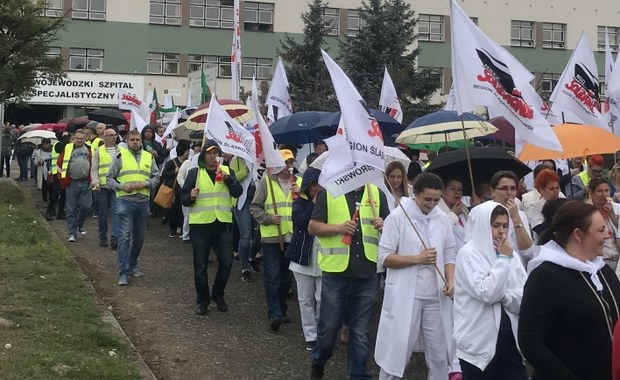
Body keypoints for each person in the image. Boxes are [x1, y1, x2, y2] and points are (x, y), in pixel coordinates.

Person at [519, 201, 620, 380]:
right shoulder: (545, 277)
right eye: (600, 230)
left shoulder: (603, 272)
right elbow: (530, 342)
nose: (608, 234)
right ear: (578, 235)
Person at [375, 173, 457, 380]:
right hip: (406, 294)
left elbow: (449, 253)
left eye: (436, 200)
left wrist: (451, 280)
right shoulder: (398, 217)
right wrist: (417, 259)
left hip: (435, 295)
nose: (431, 204)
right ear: (415, 194)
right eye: (427, 199)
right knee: (399, 349)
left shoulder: (442, 219)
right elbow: (384, 258)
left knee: (439, 351)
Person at [308, 182, 389, 380]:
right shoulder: (329, 193)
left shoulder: (377, 193)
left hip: (367, 273)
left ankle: (357, 375)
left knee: (360, 332)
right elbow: (312, 227)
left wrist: (385, 226)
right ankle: (319, 359)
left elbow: (392, 229)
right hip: (336, 272)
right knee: (329, 328)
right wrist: (338, 227)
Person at [454, 201, 528, 379]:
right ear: (481, 225)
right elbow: (486, 293)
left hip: (511, 342)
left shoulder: (512, 254)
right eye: (495, 225)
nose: (501, 231)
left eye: (504, 225)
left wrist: (505, 297)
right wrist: (502, 260)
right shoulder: (468, 254)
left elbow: (525, 297)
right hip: (478, 347)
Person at [180, 140, 242, 315]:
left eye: (215, 153)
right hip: (200, 225)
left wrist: (229, 180)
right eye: (209, 153)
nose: (212, 156)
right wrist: (190, 196)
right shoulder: (195, 173)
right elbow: (183, 199)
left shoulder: (227, 171)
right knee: (200, 266)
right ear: (203, 155)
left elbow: (238, 192)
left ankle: (218, 294)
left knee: (227, 262)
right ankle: (202, 300)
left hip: (222, 224)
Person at [250, 149, 301, 331]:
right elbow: (255, 207)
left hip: (292, 238)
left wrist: (302, 195)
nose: (289, 167)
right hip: (272, 238)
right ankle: (274, 314)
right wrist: (269, 218)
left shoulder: (300, 183)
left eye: (291, 162)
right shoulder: (266, 183)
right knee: (272, 276)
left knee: (287, 277)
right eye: (286, 163)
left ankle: (282, 308)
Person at [106, 130, 160, 286]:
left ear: (141, 141)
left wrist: (146, 183)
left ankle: (133, 263)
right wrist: (122, 186)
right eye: (132, 139)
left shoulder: (148, 157)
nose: (135, 142)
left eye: (138, 139)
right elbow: (109, 178)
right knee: (124, 237)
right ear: (127, 141)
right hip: (125, 201)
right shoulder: (120, 157)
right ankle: (123, 271)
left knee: (140, 237)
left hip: (143, 202)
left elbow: (157, 177)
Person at [284, 168, 323, 351]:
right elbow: (300, 223)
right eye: (313, 185)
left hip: (324, 257)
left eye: (319, 185)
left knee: (323, 298)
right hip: (302, 256)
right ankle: (311, 335)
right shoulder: (299, 203)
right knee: (305, 299)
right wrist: (314, 204)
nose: (316, 189)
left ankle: (322, 331)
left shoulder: (329, 202)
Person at [489, 170, 535, 266]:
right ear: (492, 191)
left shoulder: (521, 215)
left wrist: (516, 218)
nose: (509, 193)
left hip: (517, 267)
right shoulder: (484, 214)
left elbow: (527, 251)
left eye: (513, 188)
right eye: (504, 188)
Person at [57, 129, 92, 242]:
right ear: (74, 138)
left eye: (82, 138)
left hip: (86, 182)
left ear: (85, 139)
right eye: (77, 138)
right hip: (72, 182)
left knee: (86, 206)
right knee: (71, 209)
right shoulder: (68, 148)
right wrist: (62, 178)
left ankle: (79, 224)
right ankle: (72, 233)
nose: (79, 140)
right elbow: (59, 163)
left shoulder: (89, 149)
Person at [230, 154, 259, 282]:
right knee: (246, 235)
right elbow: (231, 179)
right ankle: (244, 268)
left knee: (259, 235)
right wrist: (245, 170)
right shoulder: (237, 159)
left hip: (258, 201)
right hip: (243, 201)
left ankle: (251, 257)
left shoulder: (261, 158)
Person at [90, 127, 120, 249]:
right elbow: (94, 169)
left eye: (115, 135)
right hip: (102, 187)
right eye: (111, 135)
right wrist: (95, 182)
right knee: (102, 213)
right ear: (105, 137)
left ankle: (115, 238)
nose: (113, 137)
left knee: (116, 212)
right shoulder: (99, 151)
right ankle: (102, 237)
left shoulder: (121, 150)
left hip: (116, 186)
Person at [585, 177, 620, 270]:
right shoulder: (586, 210)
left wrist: (612, 215)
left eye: (607, 190)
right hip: (598, 259)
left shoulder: (616, 208)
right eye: (599, 191)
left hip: (617, 256)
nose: (604, 195)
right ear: (592, 193)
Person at [161, 143, 190, 238]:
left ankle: (180, 228)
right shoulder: (172, 162)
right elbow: (164, 174)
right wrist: (174, 172)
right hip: (173, 190)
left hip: (183, 190)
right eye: (187, 151)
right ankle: (172, 229)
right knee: (173, 211)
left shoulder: (188, 163)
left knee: (181, 211)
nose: (188, 153)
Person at [522, 167, 562, 233]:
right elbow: (540, 230)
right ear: (541, 190)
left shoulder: (562, 200)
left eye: (557, 188)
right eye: (551, 189)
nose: (556, 191)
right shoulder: (534, 207)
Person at [439, 178, 469, 248]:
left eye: (460, 189)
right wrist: (453, 214)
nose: (457, 192)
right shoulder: (438, 211)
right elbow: (442, 233)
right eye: (452, 189)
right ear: (442, 192)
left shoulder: (464, 209)